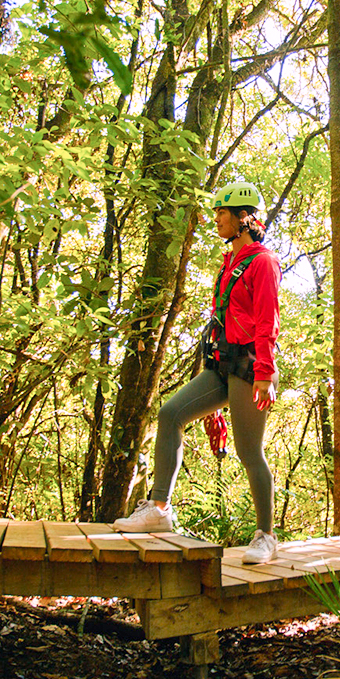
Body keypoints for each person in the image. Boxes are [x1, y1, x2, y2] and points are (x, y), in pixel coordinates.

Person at [114, 182, 281, 565]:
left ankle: (265, 536)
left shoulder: (263, 261)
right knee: (171, 414)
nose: (216, 219)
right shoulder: (230, 263)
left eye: (223, 213)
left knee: (248, 451)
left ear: (244, 218)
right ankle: (159, 510)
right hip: (222, 363)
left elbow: (267, 321)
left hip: (252, 365)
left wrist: (264, 371)